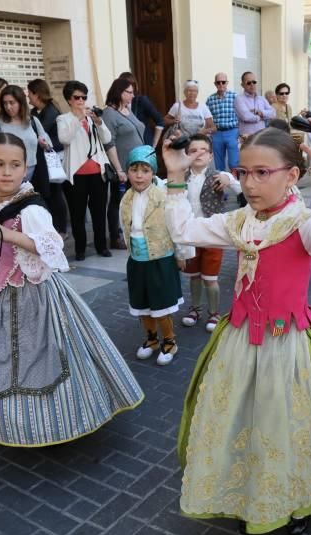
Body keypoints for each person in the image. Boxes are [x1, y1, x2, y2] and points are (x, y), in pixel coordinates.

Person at [164, 123, 311, 535]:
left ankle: (294, 500)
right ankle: (247, 494)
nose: (249, 183)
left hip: (287, 341)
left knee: (288, 425)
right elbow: (184, 230)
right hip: (239, 338)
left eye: (262, 173)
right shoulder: (240, 220)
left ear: (291, 175)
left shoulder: (303, 223)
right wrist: (176, 177)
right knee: (241, 419)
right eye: (244, 172)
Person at [0, 133, 144, 446]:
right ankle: (4, 421)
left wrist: (7, 234)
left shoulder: (31, 207)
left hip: (32, 293)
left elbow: (50, 245)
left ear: (25, 169)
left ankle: (50, 421)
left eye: (15, 165)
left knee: (37, 357)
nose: (7, 171)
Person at [119, 145, 193, 366]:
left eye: (145, 170)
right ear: (128, 172)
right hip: (137, 260)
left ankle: (169, 340)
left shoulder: (164, 196)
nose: (139, 176)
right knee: (142, 305)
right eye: (134, 170)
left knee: (161, 305)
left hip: (160, 258)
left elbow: (177, 226)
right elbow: (124, 226)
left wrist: (181, 254)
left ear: (153, 173)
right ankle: (151, 339)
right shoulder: (126, 199)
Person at [178, 135, 241, 332]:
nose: (198, 154)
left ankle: (214, 312)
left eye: (202, 150)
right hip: (190, 235)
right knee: (194, 276)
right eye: (193, 150)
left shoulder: (217, 175)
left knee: (210, 278)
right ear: (186, 154)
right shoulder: (180, 177)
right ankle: (194, 308)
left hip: (212, 234)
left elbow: (240, 188)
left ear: (211, 155)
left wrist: (228, 177)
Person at [57, 80, 123, 260]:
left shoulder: (92, 117)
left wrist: (99, 122)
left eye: (84, 97)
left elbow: (107, 138)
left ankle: (102, 246)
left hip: (97, 172)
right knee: (78, 214)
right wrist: (78, 119)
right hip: (76, 174)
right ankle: (80, 249)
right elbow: (65, 138)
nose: (81, 101)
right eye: (77, 97)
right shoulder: (63, 119)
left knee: (99, 212)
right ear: (69, 100)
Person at [102, 77, 147, 248]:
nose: (132, 96)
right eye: (129, 92)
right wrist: (119, 169)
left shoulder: (128, 109)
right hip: (122, 166)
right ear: (119, 92)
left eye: (133, 92)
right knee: (118, 201)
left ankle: (134, 231)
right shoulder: (109, 113)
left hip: (138, 164)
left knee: (136, 200)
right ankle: (116, 236)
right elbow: (109, 142)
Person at [28, 79, 68, 236]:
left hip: (52, 158)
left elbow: (39, 133)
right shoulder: (35, 112)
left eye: (30, 93)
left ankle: (61, 227)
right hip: (41, 158)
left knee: (55, 192)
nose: (28, 97)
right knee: (49, 193)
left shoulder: (50, 112)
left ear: (36, 94)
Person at [0, 85, 50, 182]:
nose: (8, 107)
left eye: (12, 103)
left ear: (21, 103)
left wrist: (44, 144)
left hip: (34, 171)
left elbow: (48, 145)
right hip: (9, 172)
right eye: (5, 103)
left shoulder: (33, 121)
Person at [206, 72, 240, 174]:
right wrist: (208, 130)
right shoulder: (210, 99)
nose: (221, 84)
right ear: (215, 84)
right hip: (217, 133)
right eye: (218, 82)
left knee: (234, 162)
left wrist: (241, 132)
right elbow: (207, 117)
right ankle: (220, 187)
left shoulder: (235, 97)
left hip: (232, 131)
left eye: (223, 82)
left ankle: (236, 186)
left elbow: (241, 114)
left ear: (227, 83)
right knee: (218, 163)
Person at [119, 72, 165, 148]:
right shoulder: (117, 105)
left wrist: (154, 144)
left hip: (144, 147)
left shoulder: (141, 101)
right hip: (127, 148)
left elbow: (160, 121)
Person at [235, 72, 275, 138]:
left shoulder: (261, 98)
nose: (252, 85)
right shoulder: (239, 99)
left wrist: (262, 113)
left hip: (261, 137)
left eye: (254, 82)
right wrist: (260, 117)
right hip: (247, 138)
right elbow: (246, 117)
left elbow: (273, 113)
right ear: (242, 85)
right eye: (248, 83)